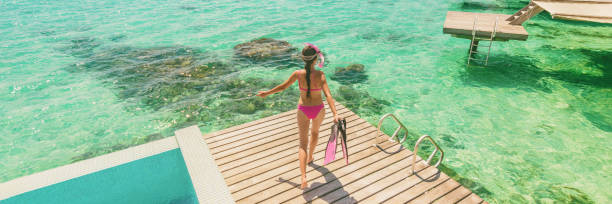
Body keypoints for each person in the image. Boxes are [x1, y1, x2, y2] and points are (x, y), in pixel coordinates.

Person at [257, 43, 341, 189]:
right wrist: (335, 113)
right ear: (315, 60)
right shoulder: (320, 75)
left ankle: (303, 177)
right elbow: (328, 95)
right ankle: (310, 157)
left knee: (302, 143)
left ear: (303, 59)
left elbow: (283, 87)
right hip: (318, 109)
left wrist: (267, 93)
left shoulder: (297, 74)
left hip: (303, 109)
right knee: (315, 132)